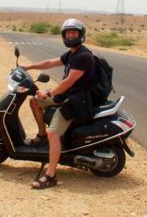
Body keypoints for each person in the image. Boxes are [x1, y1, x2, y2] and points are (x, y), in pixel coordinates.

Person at [21, 18, 95, 189]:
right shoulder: (72, 54)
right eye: (68, 33)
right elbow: (50, 63)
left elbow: (68, 82)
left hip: (76, 101)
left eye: (74, 33)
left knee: (53, 134)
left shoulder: (83, 56)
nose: (70, 35)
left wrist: (49, 93)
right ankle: (40, 137)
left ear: (80, 35)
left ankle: (51, 175)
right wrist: (28, 67)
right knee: (35, 102)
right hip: (67, 96)